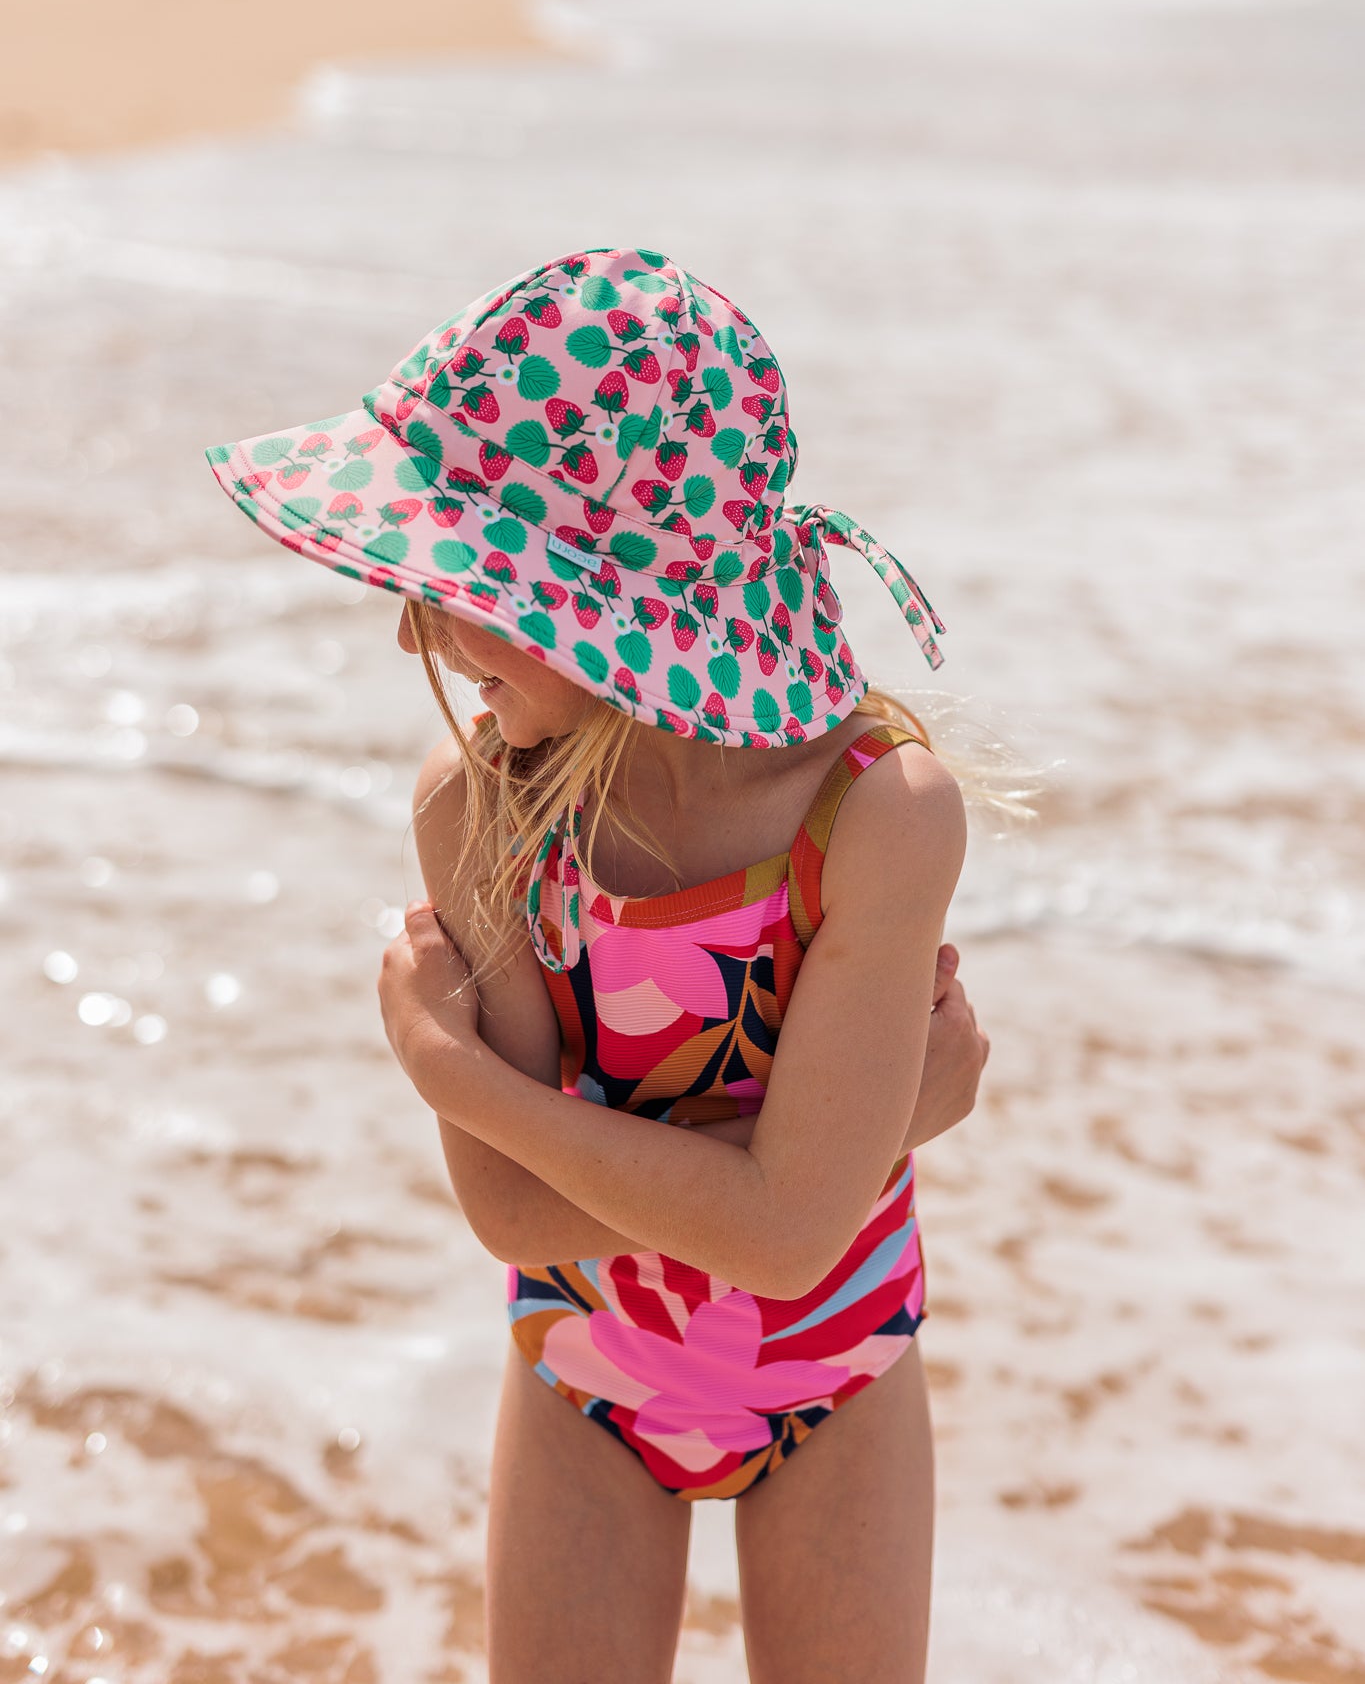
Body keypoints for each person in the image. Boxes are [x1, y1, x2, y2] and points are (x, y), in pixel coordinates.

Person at [206, 245, 992, 1684]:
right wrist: (842, 1140)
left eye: (455, 581)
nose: (412, 625)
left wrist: (451, 1072)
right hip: (583, 1379)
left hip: (837, 1377)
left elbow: (786, 1246)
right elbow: (515, 1218)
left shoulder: (874, 814)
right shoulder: (483, 810)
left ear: (604, 603)